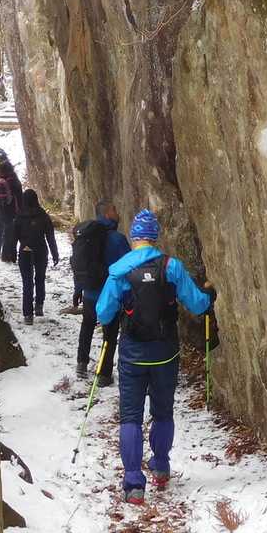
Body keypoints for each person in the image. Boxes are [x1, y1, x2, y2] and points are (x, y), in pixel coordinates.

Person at [95, 209, 215, 505]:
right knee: (163, 412)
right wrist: (210, 296)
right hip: (165, 353)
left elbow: (103, 313)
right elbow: (198, 305)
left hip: (132, 355)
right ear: (155, 237)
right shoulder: (171, 267)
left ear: (134, 237)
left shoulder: (120, 271)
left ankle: (134, 483)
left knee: (131, 417)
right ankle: (160, 466)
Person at [71, 202, 129, 385]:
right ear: (107, 213)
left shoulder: (86, 236)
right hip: (109, 295)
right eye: (114, 209)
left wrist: (78, 288)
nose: (117, 213)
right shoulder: (117, 239)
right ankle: (104, 374)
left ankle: (81, 363)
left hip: (89, 292)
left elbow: (81, 264)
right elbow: (129, 267)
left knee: (87, 325)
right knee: (110, 334)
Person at [7, 188, 59, 324]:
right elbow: (50, 236)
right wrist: (54, 253)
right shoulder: (43, 215)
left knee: (27, 282)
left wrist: (12, 252)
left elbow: (13, 237)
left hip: (25, 250)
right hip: (41, 250)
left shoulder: (19, 217)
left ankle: (28, 314)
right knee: (40, 278)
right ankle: (39, 305)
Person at [0, 164, 24, 262]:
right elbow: (19, 197)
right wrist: (21, 211)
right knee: (9, 234)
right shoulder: (13, 180)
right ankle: (6, 256)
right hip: (10, 211)